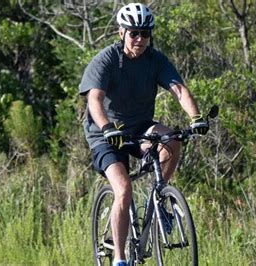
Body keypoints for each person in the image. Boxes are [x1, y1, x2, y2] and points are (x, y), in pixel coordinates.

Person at [79, 3, 209, 266]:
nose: (140, 39)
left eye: (145, 34)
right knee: (124, 189)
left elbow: (178, 90)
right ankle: (120, 257)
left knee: (171, 138)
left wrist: (195, 118)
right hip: (105, 134)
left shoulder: (155, 60)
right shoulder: (106, 59)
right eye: (134, 33)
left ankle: (160, 197)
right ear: (121, 32)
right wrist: (107, 128)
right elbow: (95, 99)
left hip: (139, 128)